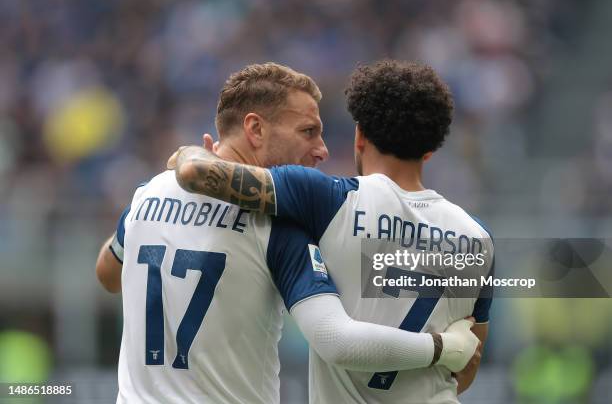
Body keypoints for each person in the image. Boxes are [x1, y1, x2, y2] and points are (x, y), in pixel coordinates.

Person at [96, 62, 480, 404]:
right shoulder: (276, 225)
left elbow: (108, 274)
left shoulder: (149, 193)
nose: (322, 150)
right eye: (308, 132)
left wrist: (181, 166)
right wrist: (442, 348)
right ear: (255, 128)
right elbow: (336, 339)